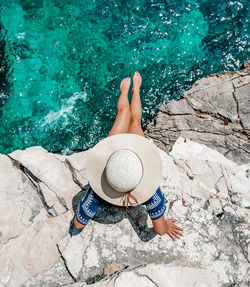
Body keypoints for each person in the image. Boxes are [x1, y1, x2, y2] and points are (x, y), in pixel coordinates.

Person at [72, 71, 183, 241]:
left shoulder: (96, 194)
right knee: (135, 120)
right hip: (125, 157)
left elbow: (79, 224)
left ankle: (126, 91)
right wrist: (166, 225)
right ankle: (135, 90)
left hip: (114, 156)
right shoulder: (152, 194)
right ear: (141, 180)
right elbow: (160, 230)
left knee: (123, 112)